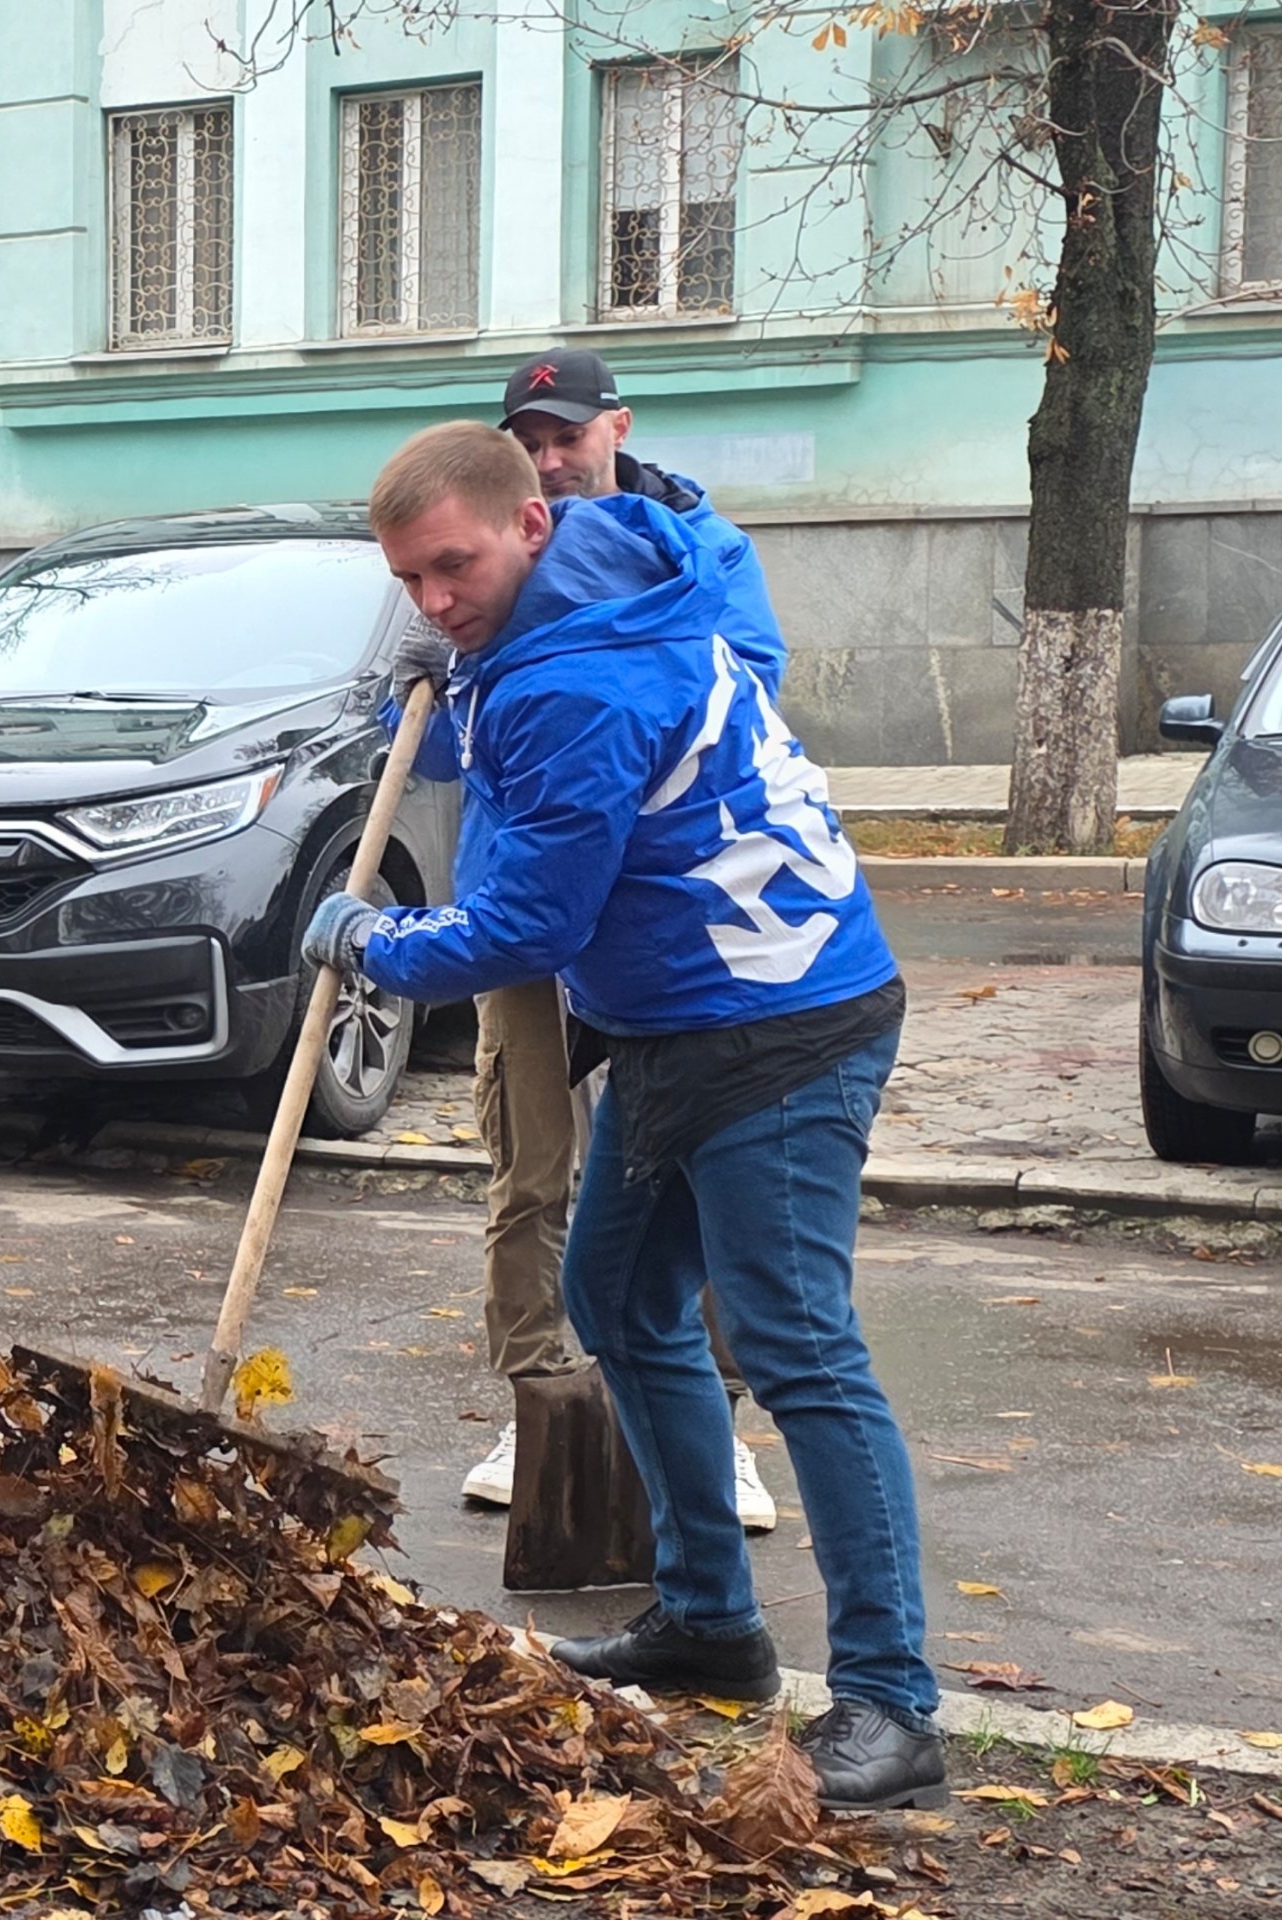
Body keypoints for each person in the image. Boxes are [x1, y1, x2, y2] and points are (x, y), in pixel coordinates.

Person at [311, 422, 944, 1811]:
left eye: (453, 569)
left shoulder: (576, 682)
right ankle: (710, 1620)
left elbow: (526, 923)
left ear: (532, 526)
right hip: (679, 1020)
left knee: (797, 1345)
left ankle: (893, 1703)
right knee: (614, 1294)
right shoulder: (610, 569)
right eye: (407, 580)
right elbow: (512, 721)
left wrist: (369, 940)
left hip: (781, 1022)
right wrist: (453, 673)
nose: (431, 598)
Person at [409, 346, 774, 1535]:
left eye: (568, 434)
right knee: (530, 1168)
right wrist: (421, 689)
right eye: (532, 440)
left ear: (615, 426)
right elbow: (432, 755)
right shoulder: (477, 562)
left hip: (666, 919)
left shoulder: (701, 554)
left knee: (688, 1174)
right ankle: (545, 1405)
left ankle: (712, 1423)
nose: (554, 459)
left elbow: (745, 693)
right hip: (520, 917)